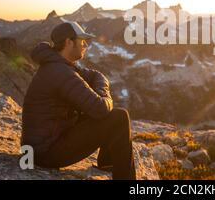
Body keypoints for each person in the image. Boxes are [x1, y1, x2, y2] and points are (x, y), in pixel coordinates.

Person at [21, 21, 136, 180]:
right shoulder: (61, 72)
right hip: (45, 153)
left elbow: (96, 76)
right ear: (68, 42)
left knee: (106, 115)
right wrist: (104, 95)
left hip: (39, 147)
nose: (86, 45)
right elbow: (101, 108)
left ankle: (107, 163)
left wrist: (99, 90)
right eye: (82, 41)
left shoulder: (59, 65)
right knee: (119, 117)